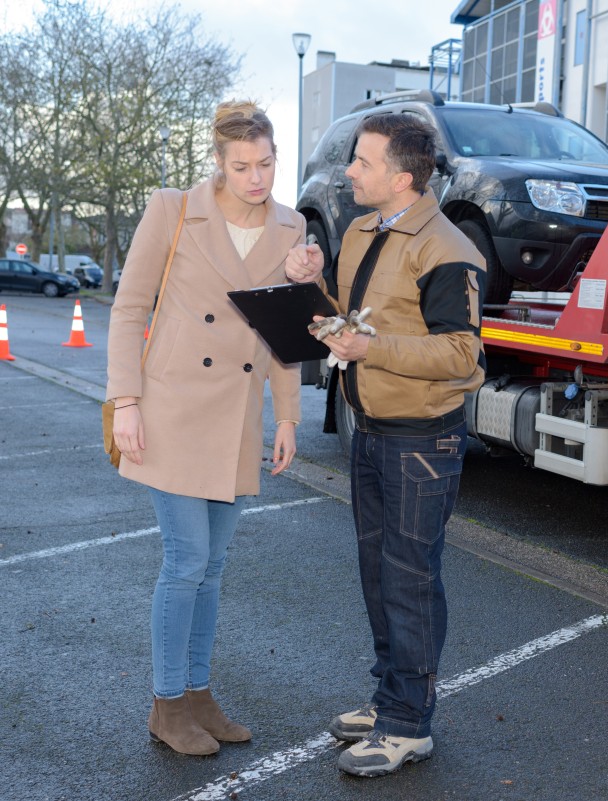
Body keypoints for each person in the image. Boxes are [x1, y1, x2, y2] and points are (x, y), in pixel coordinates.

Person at [285, 113, 485, 778]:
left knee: (410, 581)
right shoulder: (366, 230)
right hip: (369, 434)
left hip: (421, 443)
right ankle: (390, 698)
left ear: (402, 177)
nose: (348, 172)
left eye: (362, 162)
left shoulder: (447, 247)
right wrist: (309, 278)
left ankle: (409, 726)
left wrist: (372, 348)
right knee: (380, 576)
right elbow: (344, 322)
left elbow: (462, 353)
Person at [107, 100, 304, 756]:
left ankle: (197, 694)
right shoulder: (173, 209)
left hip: (237, 415)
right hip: (170, 408)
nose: (257, 177)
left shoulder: (290, 227)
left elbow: (285, 326)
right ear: (218, 164)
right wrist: (126, 398)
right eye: (242, 165)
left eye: (267, 162)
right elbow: (130, 306)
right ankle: (166, 703)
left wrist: (289, 414)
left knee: (214, 565)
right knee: (186, 556)